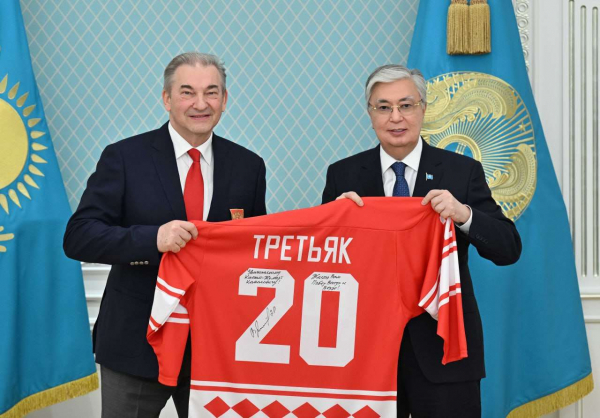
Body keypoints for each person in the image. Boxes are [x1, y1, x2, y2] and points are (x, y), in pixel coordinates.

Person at [64, 52, 267, 418]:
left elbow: (255, 249)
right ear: (167, 99)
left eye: (212, 92)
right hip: (136, 344)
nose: (201, 104)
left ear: (225, 100)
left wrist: (337, 216)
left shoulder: (248, 166)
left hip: (216, 349)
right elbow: (79, 236)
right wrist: (152, 239)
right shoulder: (124, 157)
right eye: (187, 92)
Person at [322, 64, 522, 418]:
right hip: (365, 354)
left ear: (423, 108)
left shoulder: (461, 172)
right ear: (369, 113)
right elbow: (323, 268)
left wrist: (464, 215)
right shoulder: (344, 175)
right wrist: (333, 222)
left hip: (445, 348)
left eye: (406, 105)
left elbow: (508, 248)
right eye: (383, 107)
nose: (395, 117)